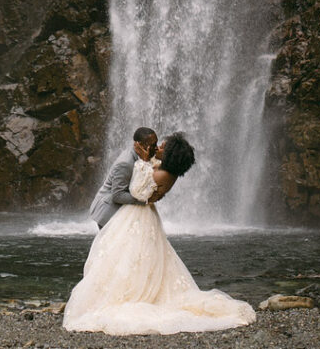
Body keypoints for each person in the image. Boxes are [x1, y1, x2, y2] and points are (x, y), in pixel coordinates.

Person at [64, 133, 256, 335]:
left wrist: (144, 162)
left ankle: (130, 296)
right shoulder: (166, 169)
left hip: (138, 215)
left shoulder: (163, 174)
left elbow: (138, 192)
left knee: (130, 257)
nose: (160, 147)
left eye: (165, 146)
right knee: (133, 257)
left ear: (171, 154)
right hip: (137, 216)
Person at [88, 126, 159, 228]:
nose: (157, 147)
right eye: (153, 145)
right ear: (141, 145)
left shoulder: (141, 157)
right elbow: (118, 195)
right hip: (109, 213)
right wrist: (145, 199)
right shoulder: (126, 163)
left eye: (156, 143)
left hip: (123, 213)